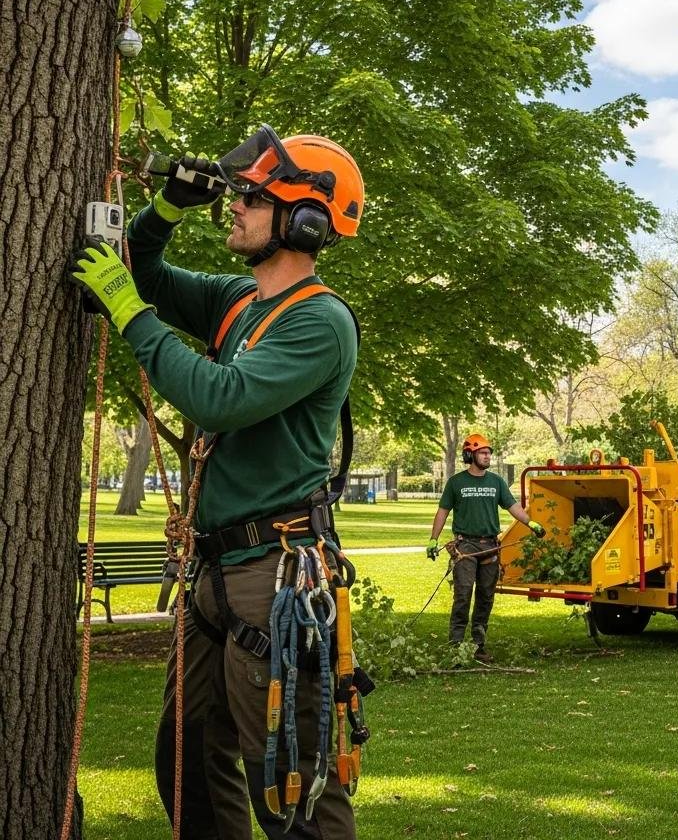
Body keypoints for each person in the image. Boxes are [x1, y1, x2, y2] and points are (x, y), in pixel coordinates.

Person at [70, 125, 364, 840]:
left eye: (252, 197)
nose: (233, 207)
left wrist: (129, 313)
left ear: (303, 220)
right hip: (214, 570)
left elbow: (220, 397)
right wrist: (164, 208)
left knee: (289, 781)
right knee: (188, 759)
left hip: (276, 575)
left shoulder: (319, 322)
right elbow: (138, 268)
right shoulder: (238, 301)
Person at [427, 434, 545, 663]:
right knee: (463, 594)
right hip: (465, 546)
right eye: (483, 453)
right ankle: (456, 647)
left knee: (485, 597)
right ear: (470, 455)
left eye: (489, 453)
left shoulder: (496, 482)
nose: (487, 456)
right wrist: (434, 539)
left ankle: (478, 645)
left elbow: (512, 506)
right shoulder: (456, 483)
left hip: (490, 545)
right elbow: (442, 511)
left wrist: (530, 523)